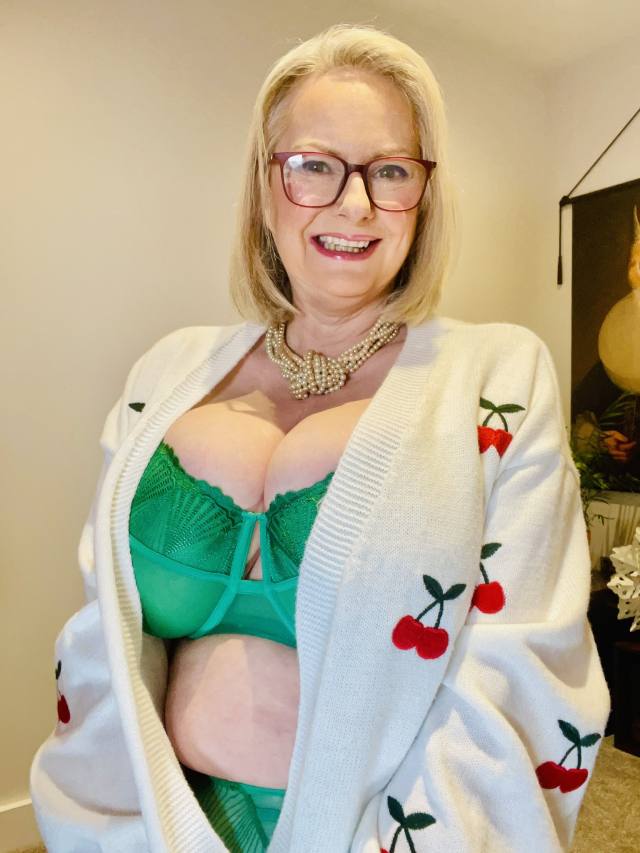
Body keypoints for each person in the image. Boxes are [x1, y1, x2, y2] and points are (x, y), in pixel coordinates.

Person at [30, 23, 610, 853]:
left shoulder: (498, 378)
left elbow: (519, 675)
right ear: (266, 188)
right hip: (149, 825)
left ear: (424, 196)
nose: (355, 203)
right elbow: (103, 638)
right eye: (313, 165)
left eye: (391, 170)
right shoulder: (166, 372)